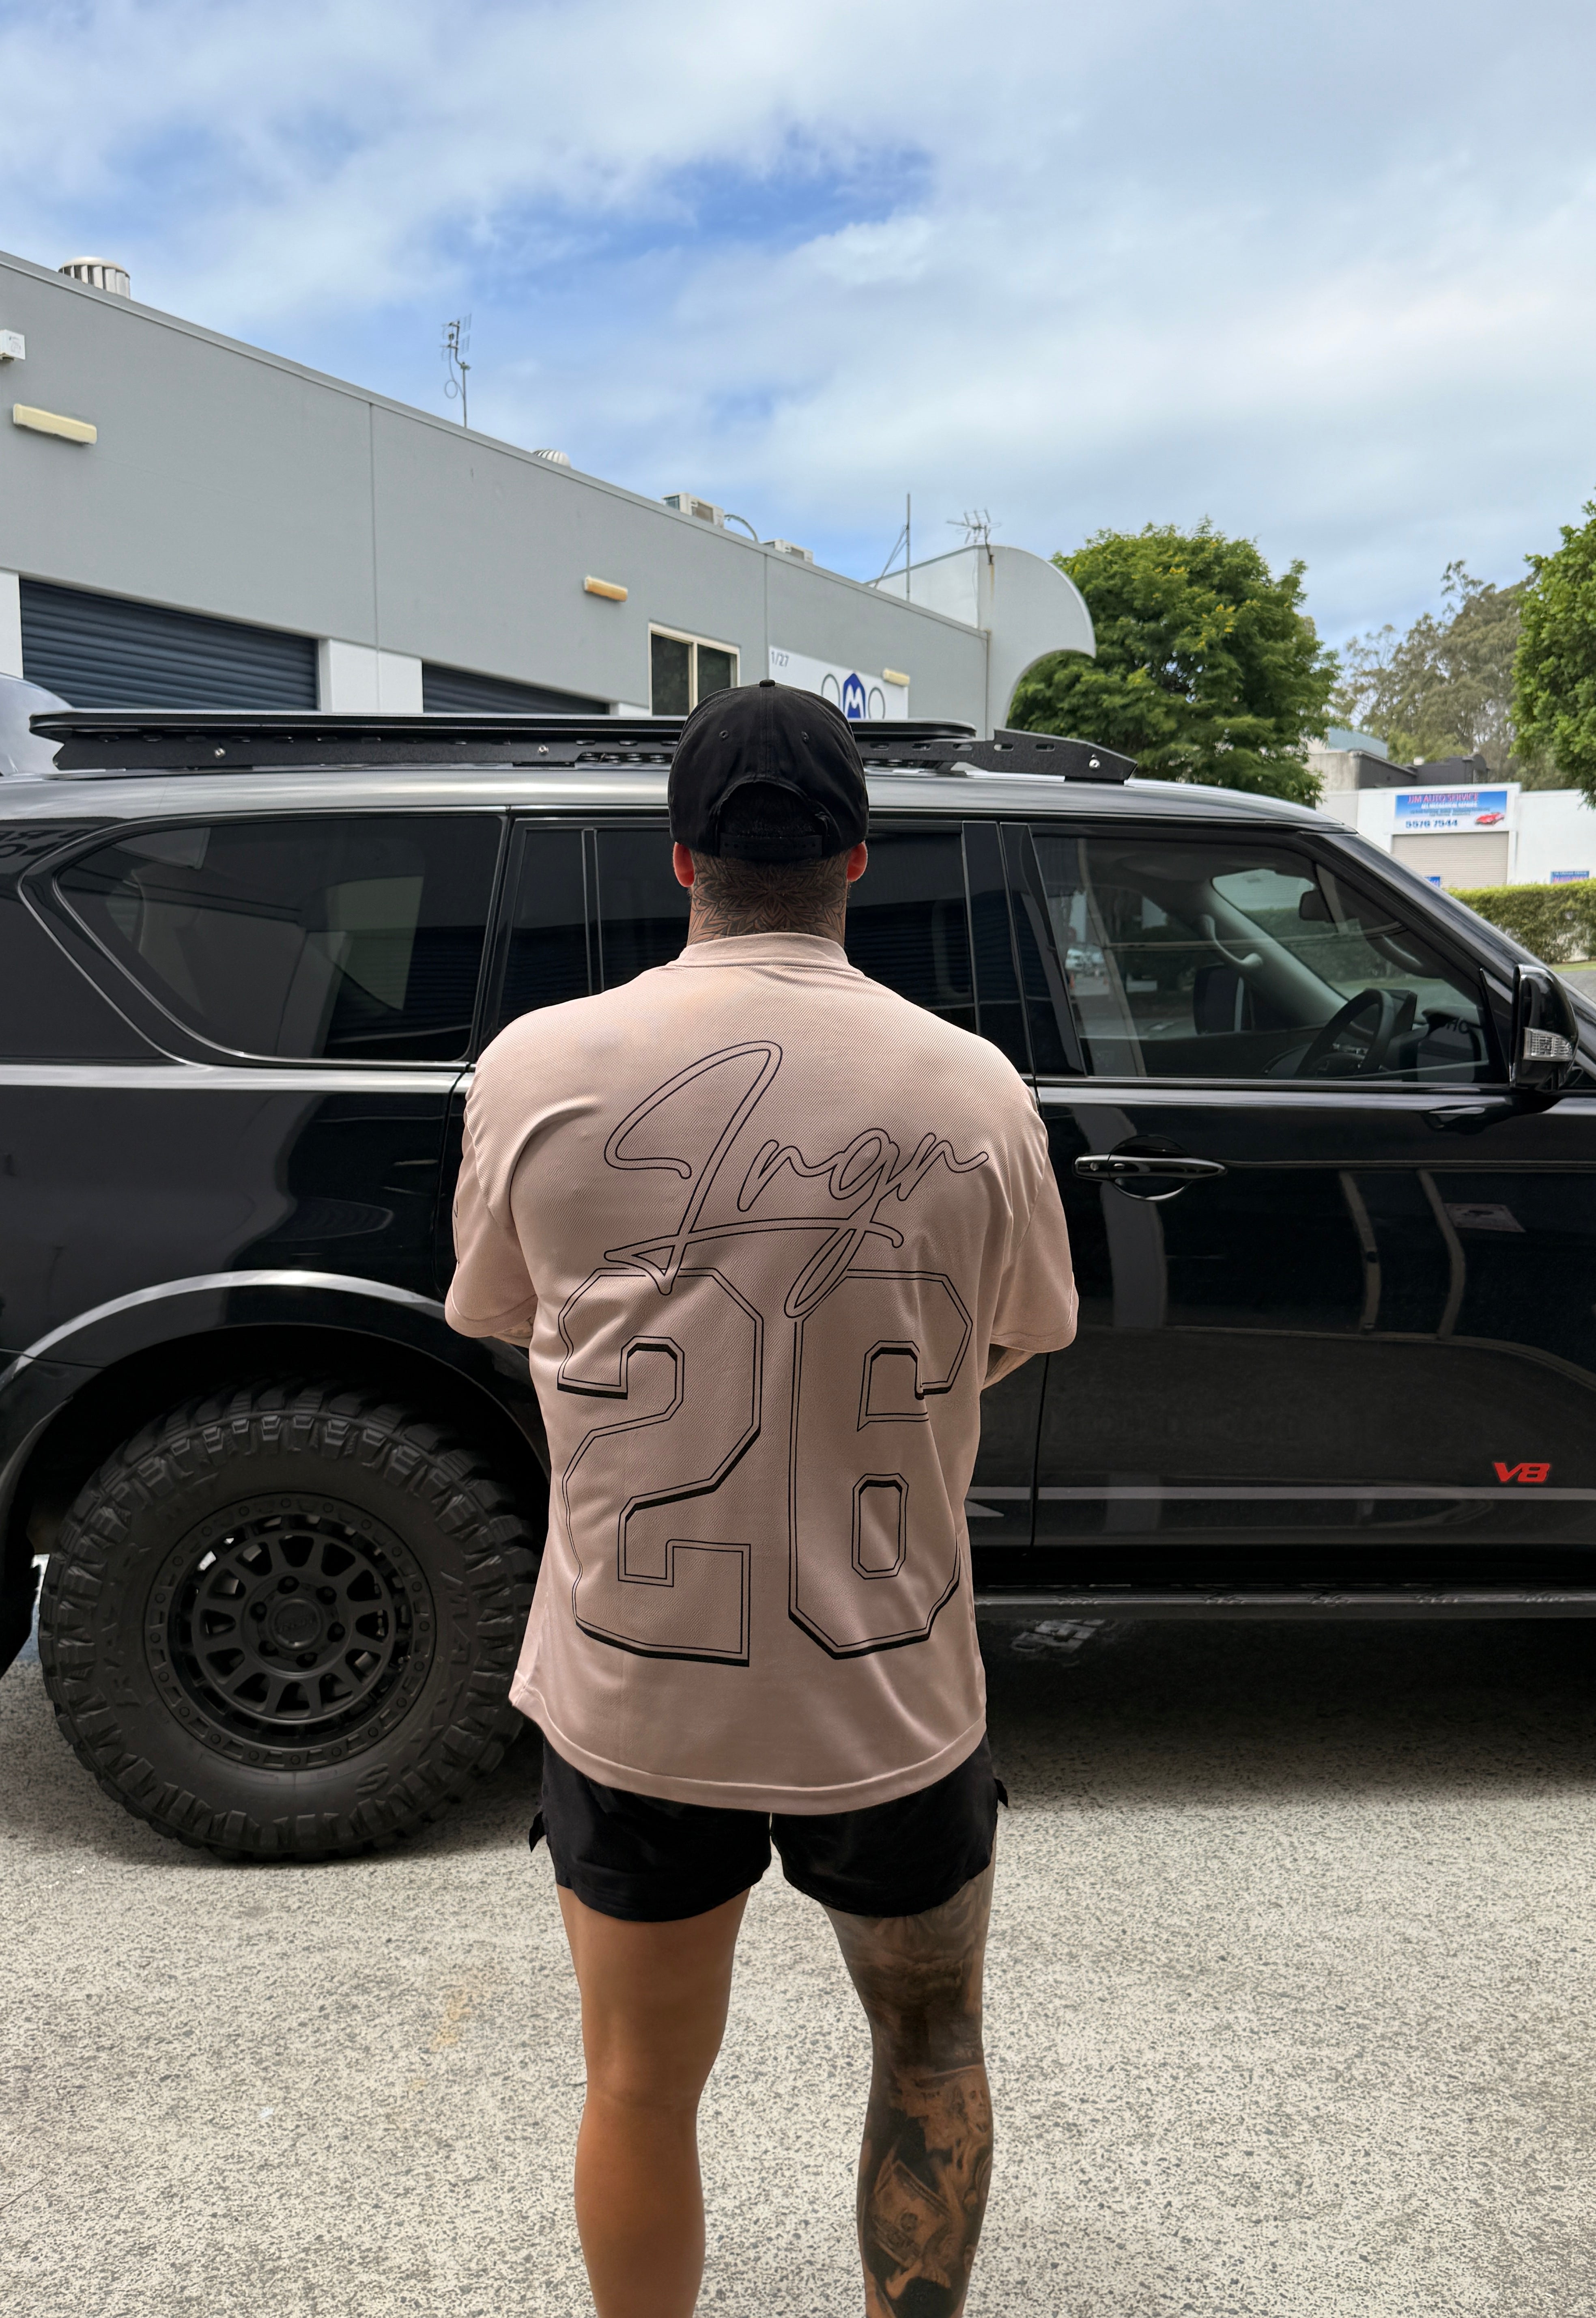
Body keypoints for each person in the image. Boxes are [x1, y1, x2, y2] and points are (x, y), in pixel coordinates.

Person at [445, 680, 1078, 2318]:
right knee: (931, 2037)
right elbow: (1015, 1338)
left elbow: (510, 1312)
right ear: (861, 859)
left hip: (638, 1676)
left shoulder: (536, 1069)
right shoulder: (976, 1090)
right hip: (885, 1674)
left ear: (681, 861)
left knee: (640, 2086)